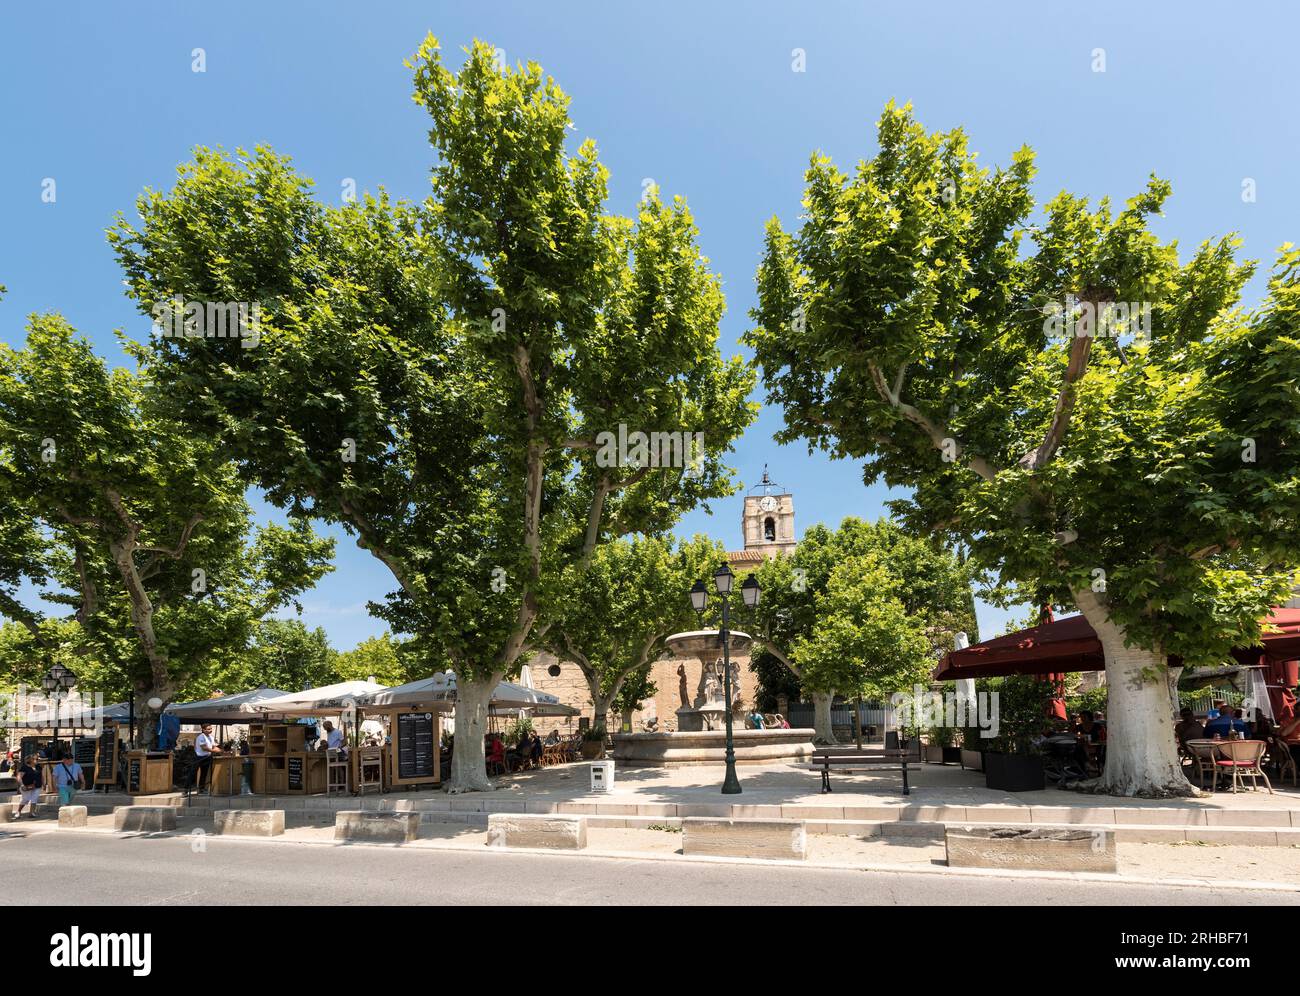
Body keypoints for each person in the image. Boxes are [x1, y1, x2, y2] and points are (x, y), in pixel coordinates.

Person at [192, 724, 221, 791]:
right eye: (208, 729)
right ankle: (186, 789)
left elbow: (213, 746)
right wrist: (215, 751)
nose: (210, 730)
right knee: (193, 773)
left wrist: (220, 750)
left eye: (211, 729)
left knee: (204, 774)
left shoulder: (211, 737)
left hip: (207, 757)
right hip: (198, 757)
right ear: (203, 730)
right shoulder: (201, 737)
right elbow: (204, 748)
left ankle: (201, 788)